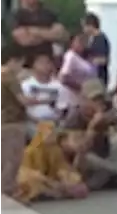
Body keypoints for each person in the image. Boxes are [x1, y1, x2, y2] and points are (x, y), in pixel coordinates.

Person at [59, 79, 117, 191]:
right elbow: (79, 148)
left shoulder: (108, 111)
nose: (98, 103)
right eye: (94, 100)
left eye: (100, 100)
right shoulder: (75, 117)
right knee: (91, 159)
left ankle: (109, 176)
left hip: (103, 156)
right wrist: (92, 128)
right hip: (80, 160)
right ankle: (113, 175)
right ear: (84, 100)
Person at [14, 122, 89, 202]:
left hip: (52, 180)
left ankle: (55, 192)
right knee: (30, 181)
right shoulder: (30, 151)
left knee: (74, 179)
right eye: (48, 133)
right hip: (38, 180)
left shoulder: (56, 150)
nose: (51, 135)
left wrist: (65, 178)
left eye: (52, 133)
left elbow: (62, 167)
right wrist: (47, 180)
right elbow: (25, 171)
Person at [8, 0, 67, 67]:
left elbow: (62, 35)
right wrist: (49, 34)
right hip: (24, 68)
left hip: (47, 68)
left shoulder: (49, 14)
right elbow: (25, 40)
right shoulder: (14, 16)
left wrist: (32, 31)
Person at [0, 44, 28, 198]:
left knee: (3, 159)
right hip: (13, 121)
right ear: (13, 60)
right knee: (13, 159)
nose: (21, 67)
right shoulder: (10, 77)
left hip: (2, 120)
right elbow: (22, 100)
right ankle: (7, 192)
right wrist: (42, 101)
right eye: (20, 63)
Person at [21, 50, 65, 129]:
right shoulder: (25, 85)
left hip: (54, 124)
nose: (45, 65)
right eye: (41, 63)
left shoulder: (59, 86)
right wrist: (38, 122)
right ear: (33, 65)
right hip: (32, 123)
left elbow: (62, 109)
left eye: (48, 62)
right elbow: (22, 110)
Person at [57, 33, 97, 113]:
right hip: (72, 99)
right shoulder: (70, 56)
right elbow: (63, 78)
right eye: (79, 41)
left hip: (83, 99)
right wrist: (81, 87)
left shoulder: (83, 58)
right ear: (72, 43)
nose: (82, 44)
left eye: (84, 41)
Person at [81, 13, 111, 85]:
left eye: (84, 26)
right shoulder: (92, 39)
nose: (83, 29)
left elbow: (103, 59)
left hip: (99, 77)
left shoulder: (100, 39)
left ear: (91, 25)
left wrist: (89, 62)